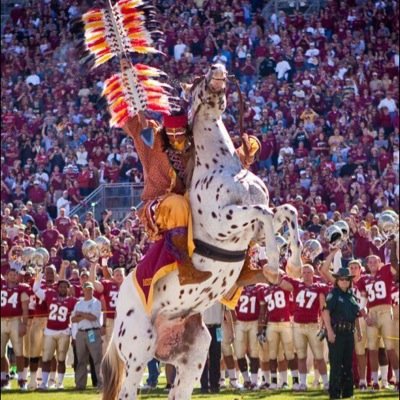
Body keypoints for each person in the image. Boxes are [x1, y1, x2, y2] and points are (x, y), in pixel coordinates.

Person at [120, 62, 260, 286]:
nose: (176, 139)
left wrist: (248, 150)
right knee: (177, 204)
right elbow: (131, 121)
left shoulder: (196, 146)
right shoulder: (152, 139)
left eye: (180, 134)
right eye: (171, 134)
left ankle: (245, 266)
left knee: (235, 198)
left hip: (190, 202)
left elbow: (223, 169)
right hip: (158, 206)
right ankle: (185, 268)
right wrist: (127, 80)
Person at [322, 267, 361, 400]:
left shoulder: (352, 295)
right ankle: (334, 394)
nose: (344, 282)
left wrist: (359, 332)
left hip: (349, 332)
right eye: (341, 279)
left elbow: (356, 315)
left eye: (347, 279)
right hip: (337, 332)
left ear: (350, 281)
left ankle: (348, 393)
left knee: (348, 363)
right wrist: (330, 331)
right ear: (337, 280)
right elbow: (325, 312)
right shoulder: (334, 294)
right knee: (336, 364)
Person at [71, 281, 103, 390]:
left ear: (93, 290)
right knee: (80, 360)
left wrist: (81, 314)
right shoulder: (78, 303)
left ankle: (101, 383)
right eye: (86, 289)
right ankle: (80, 385)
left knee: (97, 358)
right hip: (81, 332)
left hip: (92, 331)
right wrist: (85, 315)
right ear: (83, 290)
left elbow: (94, 317)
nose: (88, 291)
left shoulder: (96, 302)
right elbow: (73, 319)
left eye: (90, 289)